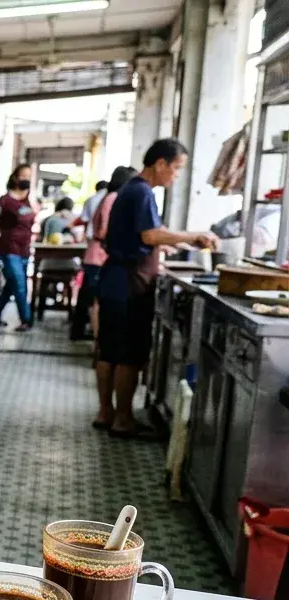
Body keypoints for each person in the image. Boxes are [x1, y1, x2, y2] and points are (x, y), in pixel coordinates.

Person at [95, 139, 218, 438]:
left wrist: (179, 241)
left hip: (115, 279)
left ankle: (106, 412)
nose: (176, 176)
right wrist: (195, 236)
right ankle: (123, 419)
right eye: (175, 168)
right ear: (160, 163)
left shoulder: (130, 190)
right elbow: (150, 235)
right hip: (128, 282)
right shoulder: (142, 191)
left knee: (109, 351)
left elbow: (146, 235)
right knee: (128, 354)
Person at [73, 167, 135, 340]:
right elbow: (103, 231)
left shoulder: (106, 197)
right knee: (95, 300)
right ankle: (98, 341)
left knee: (91, 297)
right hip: (98, 256)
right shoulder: (113, 198)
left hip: (96, 254)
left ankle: (87, 335)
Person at [0, 171, 36, 331]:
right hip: (10, 248)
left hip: (25, 249)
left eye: (28, 176)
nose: (26, 179)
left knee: (11, 285)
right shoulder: (5, 200)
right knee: (20, 285)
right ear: (14, 178)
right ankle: (26, 319)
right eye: (23, 176)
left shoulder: (28, 201)